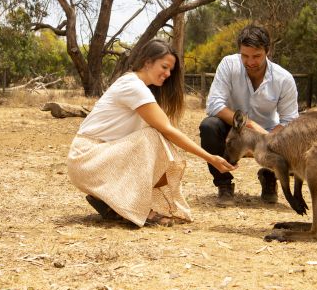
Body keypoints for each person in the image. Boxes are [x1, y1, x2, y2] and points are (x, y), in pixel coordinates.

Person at [67, 39, 236, 227]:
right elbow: (168, 130)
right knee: (152, 137)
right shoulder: (133, 86)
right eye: (164, 67)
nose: (167, 74)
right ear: (147, 62)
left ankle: (113, 203)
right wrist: (211, 158)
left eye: (170, 70)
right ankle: (135, 207)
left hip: (97, 157)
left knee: (155, 140)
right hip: (87, 158)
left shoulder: (137, 86)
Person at [199, 24, 299, 206]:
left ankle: (269, 177)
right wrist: (250, 126)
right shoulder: (229, 64)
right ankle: (224, 183)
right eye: (245, 56)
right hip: (234, 129)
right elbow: (214, 104)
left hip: (269, 133)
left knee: (292, 136)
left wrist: (267, 138)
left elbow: (289, 119)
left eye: (256, 56)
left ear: (267, 51)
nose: (250, 62)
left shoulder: (283, 78)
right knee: (209, 126)